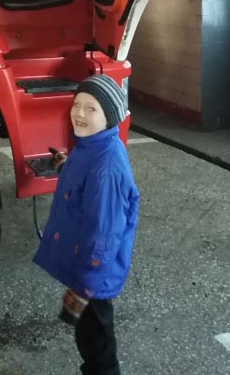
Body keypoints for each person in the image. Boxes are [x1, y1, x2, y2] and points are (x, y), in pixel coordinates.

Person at [34, 75, 139, 375]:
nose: (79, 113)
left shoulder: (106, 169)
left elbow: (103, 236)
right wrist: (64, 165)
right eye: (77, 104)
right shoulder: (91, 147)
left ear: (110, 117)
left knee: (98, 345)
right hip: (87, 269)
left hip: (94, 274)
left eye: (91, 109)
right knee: (89, 336)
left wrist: (84, 287)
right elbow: (83, 180)